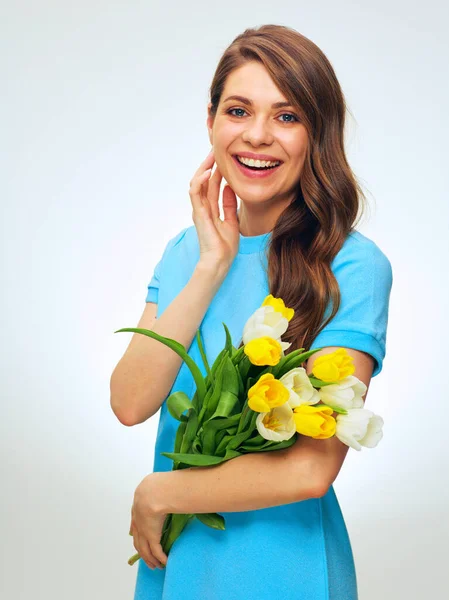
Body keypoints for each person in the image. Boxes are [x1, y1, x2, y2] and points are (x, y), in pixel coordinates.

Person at [110, 24, 393, 600]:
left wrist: (159, 493)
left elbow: (310, 469)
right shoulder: (186, 252)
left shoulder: (352, 267)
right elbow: (130, 402)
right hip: (179, 560)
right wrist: (213, 264)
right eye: (238, 110)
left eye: (287, 117)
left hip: (282, 568)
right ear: (211, 121)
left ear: (318, 134)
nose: (258, 136)